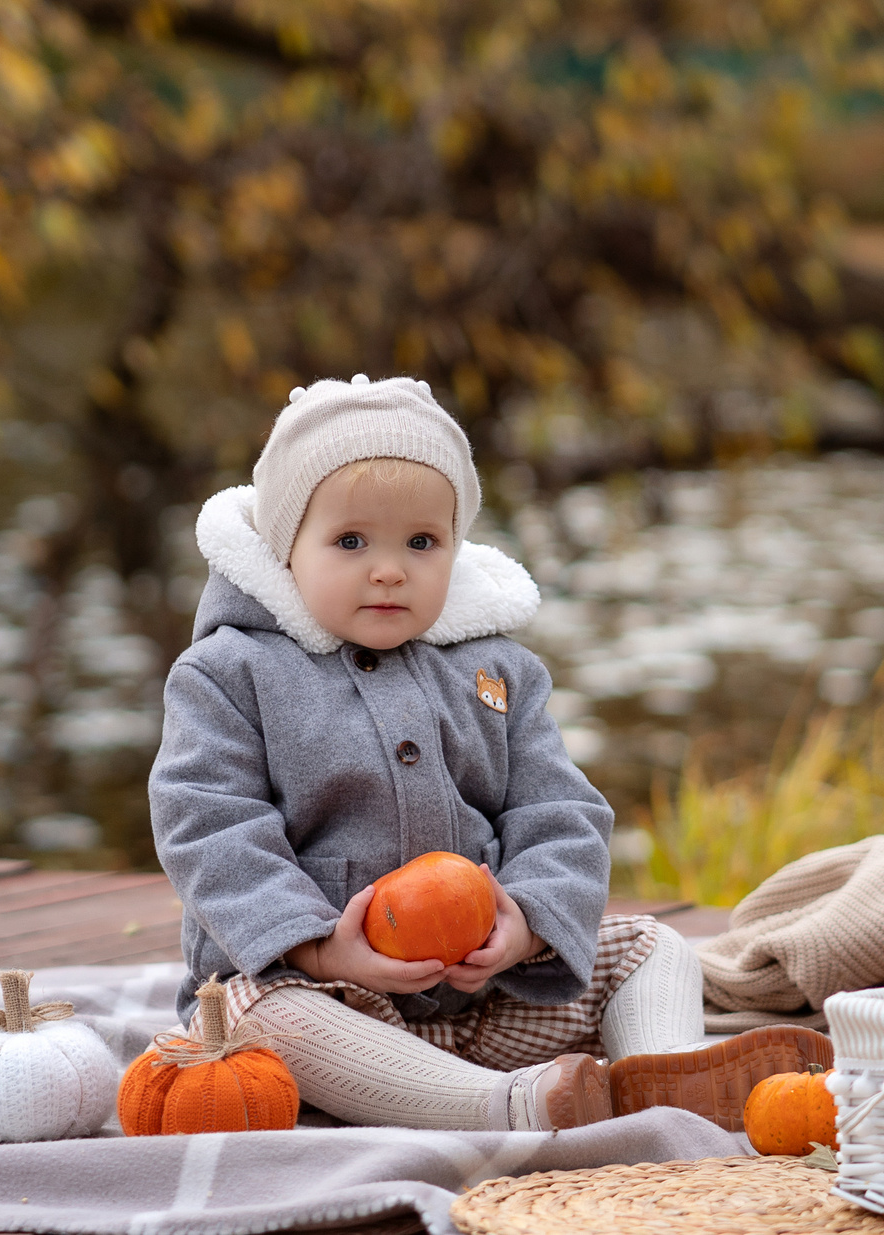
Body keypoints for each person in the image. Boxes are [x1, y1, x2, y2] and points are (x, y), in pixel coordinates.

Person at [148, 375, 821, 1130]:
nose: (389, 568)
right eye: (350, 541)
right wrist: (317, 947)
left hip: (487, 999)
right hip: (329, 1001)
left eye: (422, 542)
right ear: (284, 547)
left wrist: (526, 923)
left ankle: (657, 1085)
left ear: (455, 545)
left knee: (652, 946)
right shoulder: (231, 671)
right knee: (247, 1016)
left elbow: (556, 807)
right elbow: (207, 823)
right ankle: (506, 1106)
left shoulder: (495, 671)